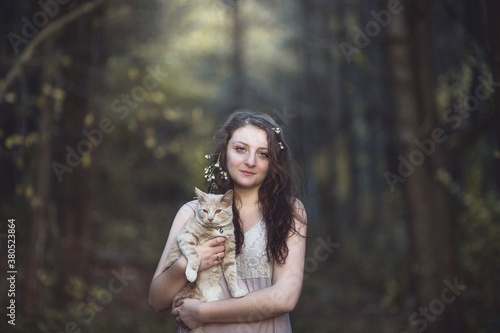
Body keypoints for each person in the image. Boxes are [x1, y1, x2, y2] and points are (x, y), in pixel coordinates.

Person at [149, 110, 307, 332]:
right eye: (241, 149)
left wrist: (203, 313)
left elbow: (285, 297)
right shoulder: (191, 212)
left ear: (273, 162)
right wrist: (187, 262)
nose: (250, 161)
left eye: (263, 154)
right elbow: (157, 300)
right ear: (225, 151)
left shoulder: (289, 211)